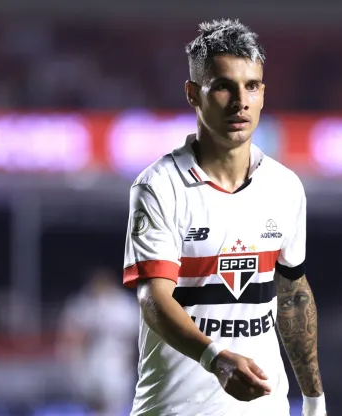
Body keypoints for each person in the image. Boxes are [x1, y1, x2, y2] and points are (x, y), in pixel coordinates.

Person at [121, 19, 326, 416]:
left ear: (263, 94)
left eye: (251, 86)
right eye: (223, 86)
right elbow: (153, 297)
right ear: (193, 94)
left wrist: (314, 399)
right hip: (176, 409)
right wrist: (216, 358)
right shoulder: (159, 186)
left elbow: (293, 295)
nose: (240, 102)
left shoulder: (285, 187)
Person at [58, 268, 140, 416]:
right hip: (89, 361)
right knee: (91, 404)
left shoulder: (124, 305)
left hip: (116, 361)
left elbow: (135, 338)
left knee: (114, 404)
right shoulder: (82, 303)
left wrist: (132, 360)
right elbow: (71, 336)